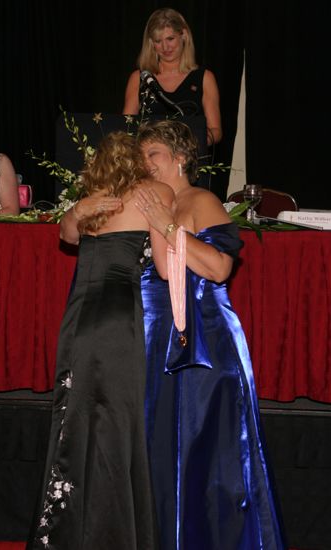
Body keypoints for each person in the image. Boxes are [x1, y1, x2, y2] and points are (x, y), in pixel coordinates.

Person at [134, 119, 286, 549]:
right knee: (163, 447)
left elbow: (219, 268)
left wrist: (166, 224)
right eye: (141, 157)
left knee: (207, 449)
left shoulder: (200, 199)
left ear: (180, 158)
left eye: (154, 155)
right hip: (160, 339)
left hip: (205, 341)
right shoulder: (153, 202)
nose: (146, 165)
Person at [26, 131, 174, 550]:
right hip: (119, 317)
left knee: (76, 417)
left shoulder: (91, 199)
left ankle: (69, 532)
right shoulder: (154, 190)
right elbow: (165, 268)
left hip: (78, 317)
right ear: (139, 160)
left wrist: (76, 209)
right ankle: (121, 533)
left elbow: (67, 236)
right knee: (121, 419)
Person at [123, 8, 222, 146]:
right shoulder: (139, 78)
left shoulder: (205, 78)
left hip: (188, 161)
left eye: (170, 39)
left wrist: (191, 146)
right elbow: (125, 128)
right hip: (147, 162)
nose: (165, 47)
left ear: (184, 35)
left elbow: (215, 131)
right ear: (151, 43)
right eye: (158, 41)